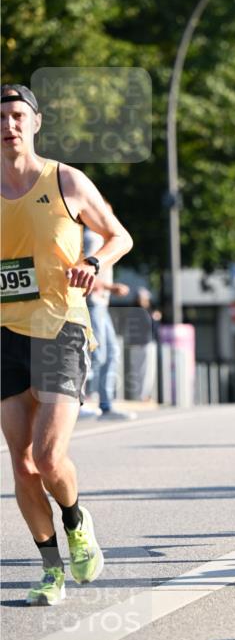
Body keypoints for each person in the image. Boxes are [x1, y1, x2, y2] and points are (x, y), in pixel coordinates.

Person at [1, 84, 133, 605]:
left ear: (35, 122)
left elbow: (118, 235)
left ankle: (77, 521)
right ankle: (51, 567)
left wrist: (95, 263)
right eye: (2, 117)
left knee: (49, 455)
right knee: (22, 462)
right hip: (5, 332)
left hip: (61, 325)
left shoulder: (65, 180)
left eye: (17, 116)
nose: (9, 125)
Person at [79, 215, 135, 421]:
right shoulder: (91, 238)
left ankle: (106, 404)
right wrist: (113, 287)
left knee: (111, 353)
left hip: (101, 303)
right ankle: (77, 403)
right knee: (96, 354)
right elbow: (84, 272)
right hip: (93, 302)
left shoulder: (104, 239)